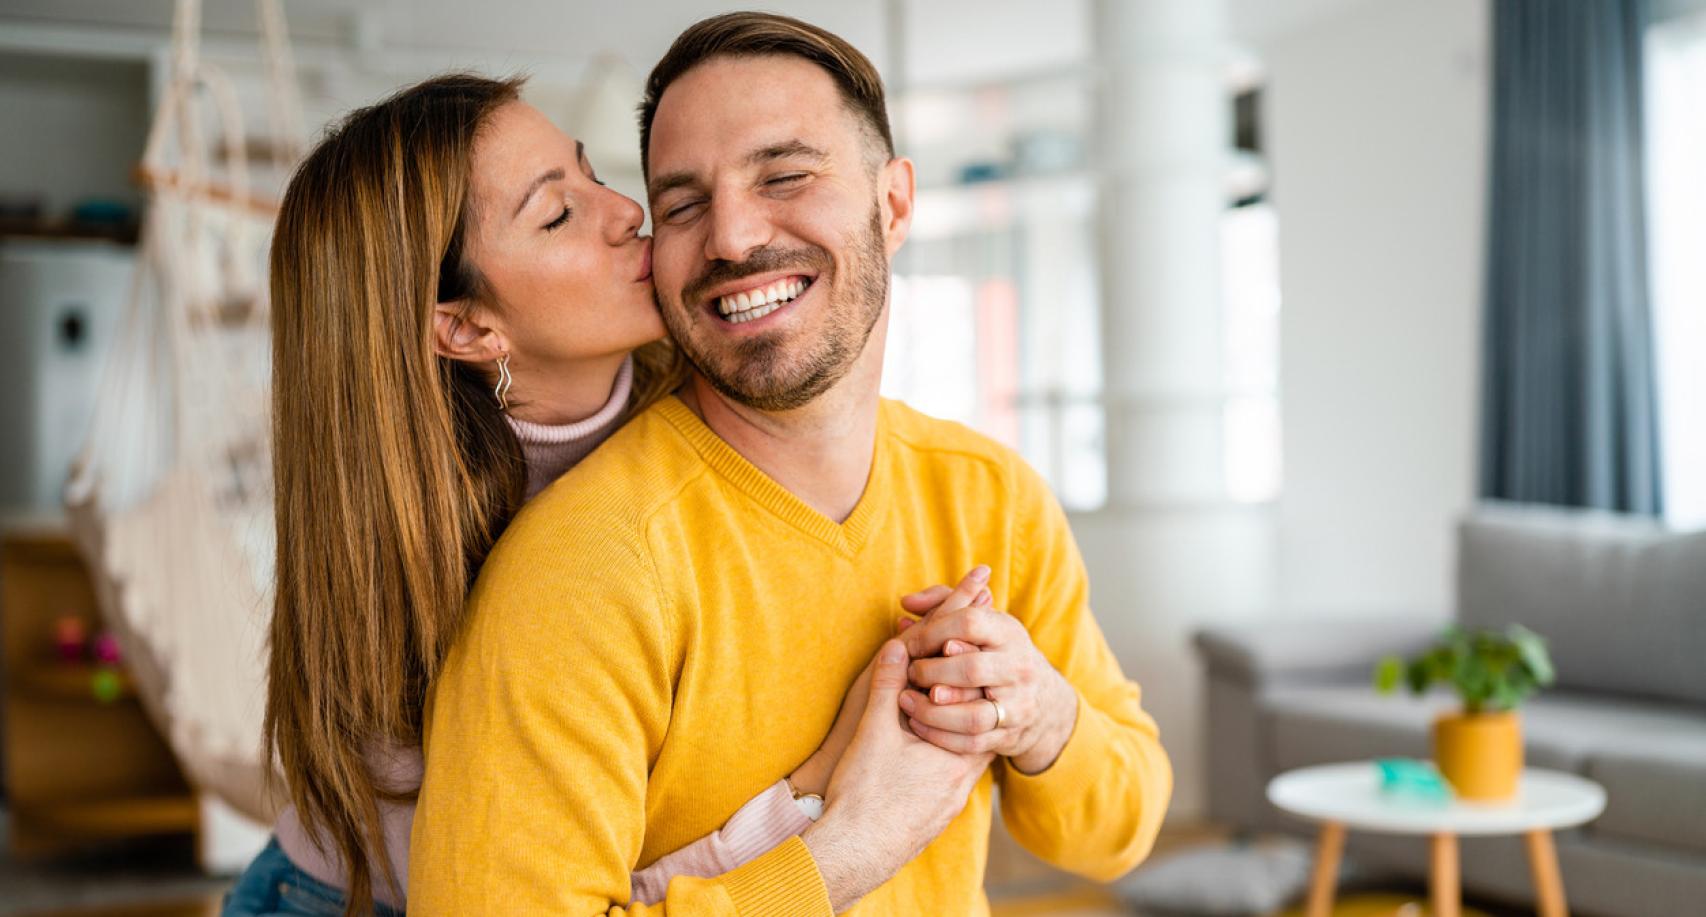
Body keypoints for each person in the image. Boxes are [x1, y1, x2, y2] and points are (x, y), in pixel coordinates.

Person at [411, 11, 1173, 915]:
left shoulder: (991, 496)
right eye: (684, 204)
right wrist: (845, 851)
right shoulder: (583, 567)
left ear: (892, 205)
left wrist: (1040, 712)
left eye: (785, 175)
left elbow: (1118, 829)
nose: (731, 236)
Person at [225, 73, 946, 917]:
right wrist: (825, 802)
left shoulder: (702, 402)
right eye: (557, 214)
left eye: (589, 173)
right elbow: (532, 888)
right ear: (465, 326)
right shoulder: (440, 559)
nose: (625, 210)